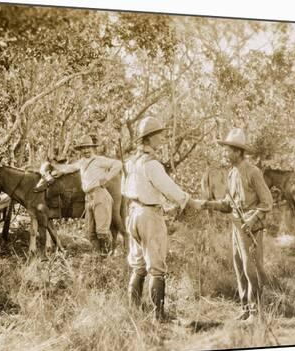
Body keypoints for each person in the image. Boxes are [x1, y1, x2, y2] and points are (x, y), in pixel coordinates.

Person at [122, 116, 205, 323]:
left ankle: (135, 313)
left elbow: (126, 189)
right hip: (149, 215)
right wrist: (189, 201)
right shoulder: (152, 165)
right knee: (156, 267)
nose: (162, 138)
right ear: (149, 138)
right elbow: (170, 189)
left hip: (133, 213)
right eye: (159, 135)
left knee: (138, 266)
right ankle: (158, 317)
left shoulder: (130, 163)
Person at [202, 128, 273, 323]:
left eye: (228, 150)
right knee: (239, 267)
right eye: (225, 149)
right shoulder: (232, 173)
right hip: (236, 226)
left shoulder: (253, 172)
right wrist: (207, 204)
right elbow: (228, 204)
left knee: (252, 269)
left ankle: (256, 311)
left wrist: (251, 219)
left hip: (251, 228)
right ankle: (245, 309)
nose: (225, 153)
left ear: (238, 152)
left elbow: (267, 202)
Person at [35, 135, 122, 257]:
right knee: (90, 233)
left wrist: (107, 178)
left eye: (88, 148)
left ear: (93, 148)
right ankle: (98, 256)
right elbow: (68, 168)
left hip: (100, 195)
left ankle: (107, 256)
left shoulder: (99, 160)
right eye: (83, 148)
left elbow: (118, 164)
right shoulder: (81, 162)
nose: (86, 151)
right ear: (81, 150)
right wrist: (54, 171)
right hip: (88, 197)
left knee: (102, 231)